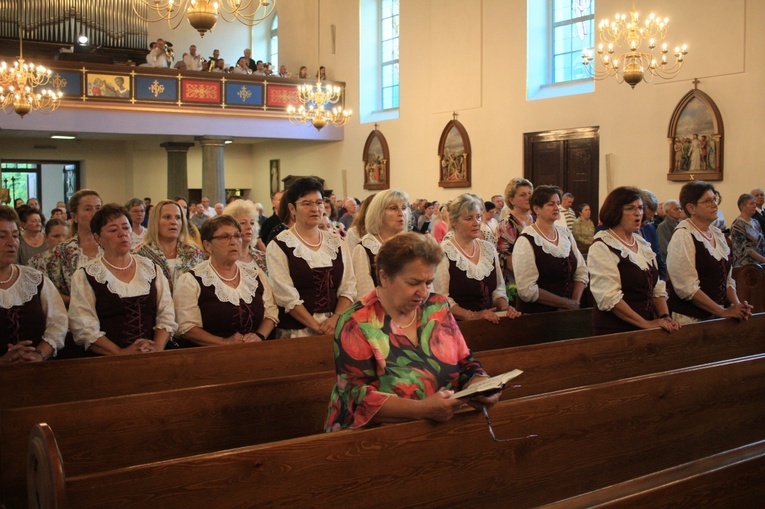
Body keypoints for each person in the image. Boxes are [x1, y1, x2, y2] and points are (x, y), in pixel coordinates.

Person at [325, 233, 499, 431]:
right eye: (413, 283)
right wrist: (422, 409)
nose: (423, 292)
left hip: (441, 430)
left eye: (428, 282)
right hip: (375, 439)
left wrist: (480, 386)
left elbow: (466, 362)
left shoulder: (437, 307)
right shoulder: (355, 322)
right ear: (384, 277)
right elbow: (358, 398)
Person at [69, 204, 176, 356]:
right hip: (108, 359)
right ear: (97, 237)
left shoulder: (151, 268)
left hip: (155, 354)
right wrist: (120, 352)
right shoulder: (86, 275)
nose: (122, 234)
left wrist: (157, 348)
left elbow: (166, 313)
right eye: (113, 230)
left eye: (126, 228)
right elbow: (84, 328)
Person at [265, 177, 356, 338]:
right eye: (307, 203)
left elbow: (348, 286)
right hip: (296, 331)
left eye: (319, 202)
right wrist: (316, 326)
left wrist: (335, 318)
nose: (315, 208)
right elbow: (284, 294)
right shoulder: (280, 245)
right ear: (292, 208)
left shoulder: (336, 243)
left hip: (336, 327)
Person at [588, 187, 680, 335]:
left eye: (640, 208)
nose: (638, 213)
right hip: (616, 330)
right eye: (630, 209)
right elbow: (610, 297)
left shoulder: (641, 243)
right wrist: (645, 324)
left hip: (646, 327)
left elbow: (656, 287)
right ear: (615, 211)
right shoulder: (602, 245)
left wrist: (665, 316)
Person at [174, 215, 278, 346]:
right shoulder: (191, 280)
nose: (234, 241)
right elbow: (186, 327)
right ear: (207, 245)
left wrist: (259, 335)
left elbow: (271, 312)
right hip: (212, 356)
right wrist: (224, 342)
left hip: (257, 350)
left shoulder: (255, 274)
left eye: (237, 236)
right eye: (225, 237)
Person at [666, 181, 752, 323]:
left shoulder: (717, 234)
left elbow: (727, 280)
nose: (714, 204)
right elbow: (687, 287)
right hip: (692, 317)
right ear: (691, 208)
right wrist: (722, 311)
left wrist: (737, 306)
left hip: (717, 315)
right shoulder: (683, 236)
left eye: (714, 199)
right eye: (707, 201)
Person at [434, 194, 518, 323]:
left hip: (490, 322)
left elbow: (498, 289)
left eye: (478, 217)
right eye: (469, 218)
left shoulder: (488, 248)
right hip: (458, 327)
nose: (476, 223)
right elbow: (442, 298)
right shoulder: (443, 252)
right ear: (454, 221)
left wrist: (505, 307)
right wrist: (472, 315)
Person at [0, 206, 66, 365]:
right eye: (2, 236)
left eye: (15, 236)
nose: (11, 243)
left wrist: (38, 354)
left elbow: (58, 322)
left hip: (36, 372)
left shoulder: (34, 279)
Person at [513, 186, 588, 314]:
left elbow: (581, 271)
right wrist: (565, 303)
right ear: (537, 209)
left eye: (558, 203)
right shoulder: (526, 240)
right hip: (539, 316)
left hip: (570, 312)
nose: (557, 208)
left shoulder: (565, 234)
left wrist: (574, 302)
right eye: (550, 204)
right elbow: (527, 289)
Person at [42, 189, 103, 305]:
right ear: (74, 216)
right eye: (88, 209)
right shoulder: (61, 251)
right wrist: (80, 303)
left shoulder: (111, 246)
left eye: (98, 208)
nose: (95, 213)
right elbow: (50, 291)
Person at [136, 200, 205, 294]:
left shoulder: (194, 252)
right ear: (155, 221)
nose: (174, 222)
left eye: (178, 217)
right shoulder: (141, 254)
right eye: (167, 217)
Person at [352, 190, 408, 299]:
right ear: (378, 213)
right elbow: (365, 296)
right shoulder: (364, 249)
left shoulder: (410, 244)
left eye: (404, 208)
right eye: (393, 208)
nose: (401, 213)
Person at [496, 177, 534, 285]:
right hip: (517, 280)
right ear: (511, 199)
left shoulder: (537, 220)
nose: (528, 198)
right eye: (523, 195)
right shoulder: (506, 224)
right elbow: (507, 260)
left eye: (529, 194)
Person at [222, 199, 268, 274]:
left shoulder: (263, 258)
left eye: (252, 223)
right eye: (243, 223)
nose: (249, 227)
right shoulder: (222, 258)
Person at [730, 193, 765, 267]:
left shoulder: (755, 222)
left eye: (755, 203)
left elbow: (762, 241)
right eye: (751, 203)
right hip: (745, 266)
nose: (755, 206)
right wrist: (763, 259)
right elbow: (746, 249)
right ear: (742, 206)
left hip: (760, 262)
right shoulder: (737, 225)